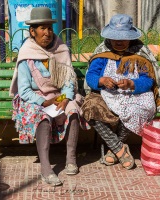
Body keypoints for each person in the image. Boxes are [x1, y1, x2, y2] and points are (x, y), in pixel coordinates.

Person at [9, 7, 90, 186]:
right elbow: (24, 91)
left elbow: (69, 80)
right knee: (43, 117)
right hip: (35, 99)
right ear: (32, 31)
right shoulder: (27, 53)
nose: (47, 33)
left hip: (59, 96)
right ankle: (46, 168)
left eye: (49, 28)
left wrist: (64, 99)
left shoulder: (60, 48)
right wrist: (45, 102)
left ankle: (71, 159)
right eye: (42, 28)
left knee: (73, 110)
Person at [82, 14, 160, 170]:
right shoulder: (102, 52)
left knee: (137, 109)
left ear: (130, 37)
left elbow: (148, 80)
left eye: (123, 38)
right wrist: (101, 81)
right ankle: (119, 148)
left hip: (134, 95)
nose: (118, 42)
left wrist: (132, 83)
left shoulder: (140, 53)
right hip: (105, 95)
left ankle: (113, 150)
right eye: (115, 38)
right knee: (89, 108)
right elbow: (91, 76)